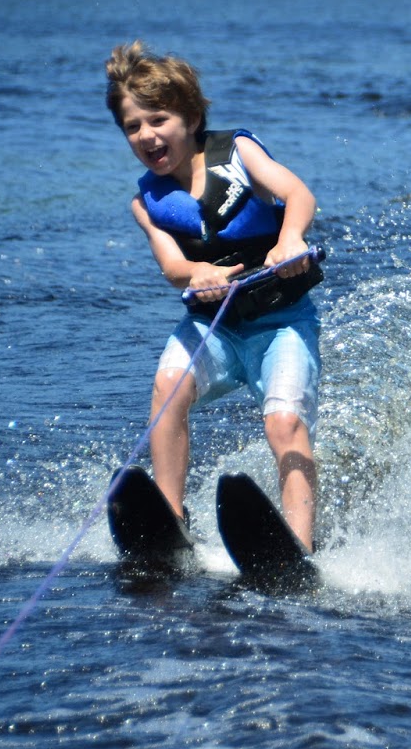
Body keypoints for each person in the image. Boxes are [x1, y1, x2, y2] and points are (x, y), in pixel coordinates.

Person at [106, 41, 323, 551]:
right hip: (215, 328)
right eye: (133, 127)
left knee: (284, 423)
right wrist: (198, 271)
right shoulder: (148, 203)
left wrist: (290, 239)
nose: (147, 136)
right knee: (167, 389)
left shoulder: (239, 153)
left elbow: (299, 195)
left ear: (191, 115)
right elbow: (172, 266)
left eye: (157, 119)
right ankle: (171, 519)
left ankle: (301, 545)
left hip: (282, 323)